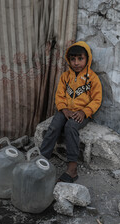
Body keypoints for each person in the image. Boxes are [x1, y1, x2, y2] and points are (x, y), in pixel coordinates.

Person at [40, 41, 102, 183]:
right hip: (65, 110)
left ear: (87, 59)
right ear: (68, 60)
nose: (76, 62)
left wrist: (85, 111)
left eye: (80, 58)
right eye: (73, 59)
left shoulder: (92, 78)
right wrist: (63, 109)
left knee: (70, 127)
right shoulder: (65, 77)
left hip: (82, 113)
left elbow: (97, 99)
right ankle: (42, 159)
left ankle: (72, 168)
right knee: (54, 126)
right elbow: (59, 95)